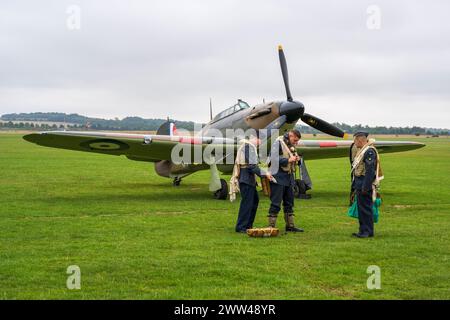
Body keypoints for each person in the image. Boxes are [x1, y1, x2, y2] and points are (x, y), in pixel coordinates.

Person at [232, 134, 272, 233]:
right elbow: (251, 166)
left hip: (249, 179)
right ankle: (241, 227)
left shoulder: (249, 146)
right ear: (255, 138)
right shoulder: (248, 146)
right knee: (247, 203)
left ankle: (248, 225)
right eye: (260, 139)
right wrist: (265, 174)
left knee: (254, 201)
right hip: (246, 179)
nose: (261, 142)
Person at [267, 129, 304, 232]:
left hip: (288, 178)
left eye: (297, 141)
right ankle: (271, 227)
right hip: (277, 177)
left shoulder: (290, 145)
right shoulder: (278, 143)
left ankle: (290, 226)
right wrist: (288, 160)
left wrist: (297, 159)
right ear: (290, 136)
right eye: (295, 140)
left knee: (289, 203)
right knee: (276, 203)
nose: (296, 143)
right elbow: (272, 159)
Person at [351, 132, 378, 238]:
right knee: (361, 209)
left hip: (364, 183)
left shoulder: (369, 151)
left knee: (366, 209)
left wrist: (365, 187)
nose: (354, 143)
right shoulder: (362, 150)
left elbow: (370, 171)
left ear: (360, 140)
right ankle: (362, 230)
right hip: (359, 182)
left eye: (355, 141)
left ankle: (367, 231)